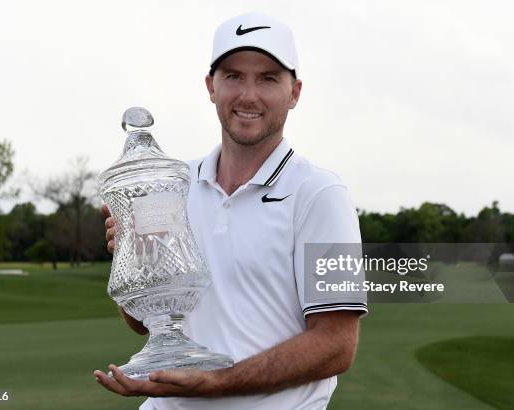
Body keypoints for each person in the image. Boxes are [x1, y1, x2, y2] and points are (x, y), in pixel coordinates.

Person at [94, 12, 367, 410]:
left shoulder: (323, 193)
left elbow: (337, 346)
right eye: (234, 76)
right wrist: (134, 259)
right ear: (211, 86)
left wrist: (212, 383)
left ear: (295, 92)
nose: (248, 95)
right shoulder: (173, 184)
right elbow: (143, 325)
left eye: (268, 78)